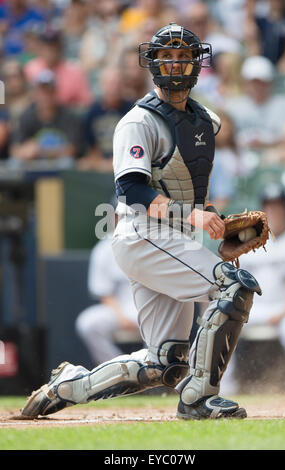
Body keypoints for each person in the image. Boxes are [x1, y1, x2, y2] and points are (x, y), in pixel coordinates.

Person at [21, 23, 262, 421]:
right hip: (142, 234)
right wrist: (194, 217)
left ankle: (68, 386)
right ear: (152, 63)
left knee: (166, 363)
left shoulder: (205, 120)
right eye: (167, 56)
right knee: (234, 285)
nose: (175, 64)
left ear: (197, 63)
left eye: (183, 56)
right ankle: (199, 399)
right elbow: (132, 191)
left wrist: (213, 223)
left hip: (172, 237)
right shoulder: (138, 122)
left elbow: (187, 192)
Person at [221, 184, 285, 393]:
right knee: (221, 326)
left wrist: (283, 313)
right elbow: (232, 281)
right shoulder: (249, 241)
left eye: (278, 207)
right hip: (253, 309)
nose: (274, 212)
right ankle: (223, 390)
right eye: (269, 207)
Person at [75, 236, 139, 365]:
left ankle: (155, 373)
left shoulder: (157, 240)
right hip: (120, 307)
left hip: (153, 307)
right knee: (88, 323)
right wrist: (121, 317)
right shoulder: (105, 247)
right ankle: (118, 369)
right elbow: (103, 292)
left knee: (159, 323)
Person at [10, 69, 83, 168]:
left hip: (57, 165)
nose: (45, 96)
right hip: (33, 165)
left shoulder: (68, 116)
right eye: (41, 92)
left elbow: (72, 150)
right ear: (35, 94)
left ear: (55, 93)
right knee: (14, 163)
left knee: (67, 163)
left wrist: (41, 150)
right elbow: (14, 150)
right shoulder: (26, 116)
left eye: (49, 91)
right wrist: (25, 151)